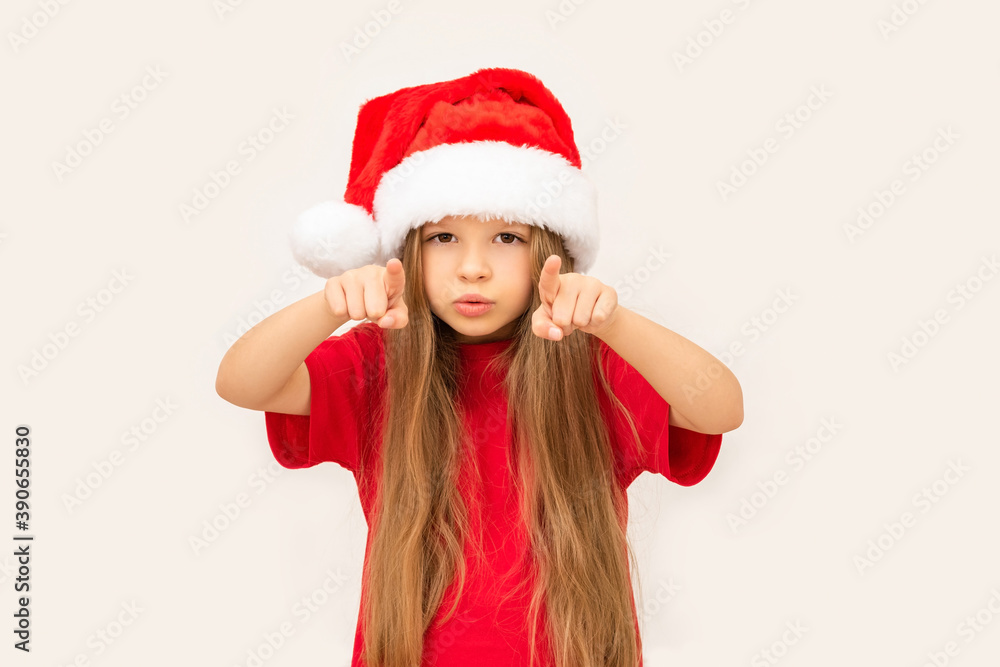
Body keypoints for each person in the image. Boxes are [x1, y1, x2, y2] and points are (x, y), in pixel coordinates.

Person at [216, 67, 743, 667]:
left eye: (507, 238)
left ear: (551, 248)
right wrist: (327, 304)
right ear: (407, 250)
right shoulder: (379, 364)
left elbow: (720, 406)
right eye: (443, 238)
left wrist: (613, 323)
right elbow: (241, 382)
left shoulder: (595, 365)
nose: (472, 268)